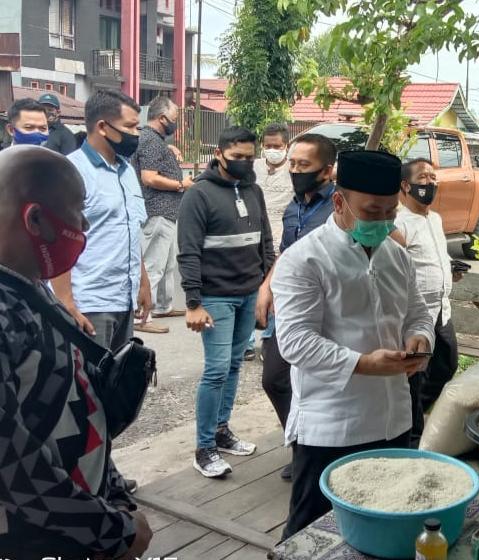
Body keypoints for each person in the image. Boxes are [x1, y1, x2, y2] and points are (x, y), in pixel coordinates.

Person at [0, 145, 152, 559]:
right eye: (77, 210)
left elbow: (82, 403)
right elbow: (14, 471)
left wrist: (114, 493)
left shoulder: (31, 291)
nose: (84, 223)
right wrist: (113, 531)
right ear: (35, 219)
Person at [273, 150, 434, 535]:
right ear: (339, 201)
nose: (382, 222)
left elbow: (419, 312)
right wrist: (362, 363)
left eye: (390, 213)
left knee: (386, 521)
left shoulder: (397, 256)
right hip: (332, 426)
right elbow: (294, 341)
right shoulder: (305, 260)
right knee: (310, 532)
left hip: (393, 419)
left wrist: (419, 338)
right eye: (372, 212)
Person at [178, 126, 275, 478]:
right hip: (215, 296)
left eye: (250, 157)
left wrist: (267, 285)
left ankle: (221, 431)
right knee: (217, 369)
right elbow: (188, 251)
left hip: (250, 293)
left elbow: (265, 240)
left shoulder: (254, 190)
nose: (244, 163)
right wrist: (192, 302)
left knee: (234, 365)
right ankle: (203, 448)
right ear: (219, 154)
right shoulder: (198, 195)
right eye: (237, 157)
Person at [255, 133, 337, 481]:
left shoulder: (340, 206)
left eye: (304, 165)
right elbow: (287, 252)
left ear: (327, 171)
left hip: (326, 311)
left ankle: (319, 455)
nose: (294, 170)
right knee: (275, 379)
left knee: (321, 386)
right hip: (289, 308)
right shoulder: (295, 206)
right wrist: (266, 285)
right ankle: (302, 445)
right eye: (292, 163)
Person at [52, 90, 153, 355]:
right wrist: (65, 301)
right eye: (130, 127)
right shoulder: (72, 171)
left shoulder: (127, 171)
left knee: (118, 387)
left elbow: (129, 229)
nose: (136, 134)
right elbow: (58, 239)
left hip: (125, 300)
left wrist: (142, 282)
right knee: (88, 388)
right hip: (90, 303)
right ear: (102, 127)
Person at [392, 158, 461, 447]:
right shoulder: (397, 222)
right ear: (405, 186)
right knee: (414, 377)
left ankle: (417, 412)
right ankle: (412, 436)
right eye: (423, 178)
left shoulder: (435, 218)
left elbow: (436, 256)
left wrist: (450, 270)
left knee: (447, 365)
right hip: (415, 314)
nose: (430, 183)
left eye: (434, 178)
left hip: (441, 311)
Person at [133, 95, 195, 335]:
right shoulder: (151, 141)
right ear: (162, 118)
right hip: (157, 210)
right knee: (153, 265)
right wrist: (181, 184)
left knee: (168, 263)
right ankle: (141, 315)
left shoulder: (152, 140)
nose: (177, 123)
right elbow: (149, 177)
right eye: (175, 119)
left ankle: (162, 305)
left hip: (166, 212)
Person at [246, 123, 295, 361]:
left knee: (275, 289)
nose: (272, 150)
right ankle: (245, 341)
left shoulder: (294, 170)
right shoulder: (253, 167)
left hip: (281, 237)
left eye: (277, 146)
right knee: (249, 287)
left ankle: (268, 339)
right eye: (268, 146)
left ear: (287, 146)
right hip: (253, 236)